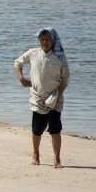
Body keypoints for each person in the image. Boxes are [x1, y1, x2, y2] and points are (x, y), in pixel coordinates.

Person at [14, 28, 70, 168]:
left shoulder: (60, 58)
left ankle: (57, 159)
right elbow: (17, 63)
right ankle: (36, 154)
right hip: (37, 98)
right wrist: (21, 78)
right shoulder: (33, 53)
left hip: (54, 100)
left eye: (47, 39)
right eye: (42, 39)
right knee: (37, 130)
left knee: (55, 130)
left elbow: (65, 79)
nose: (45, 42)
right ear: (39, 40)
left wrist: (57, 95)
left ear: (53, 41)